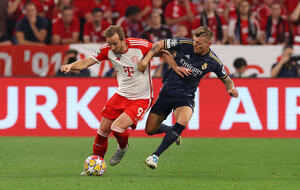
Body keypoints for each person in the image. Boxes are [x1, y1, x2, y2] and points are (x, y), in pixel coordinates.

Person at [60, 26, 189, 174]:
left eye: (115, 43)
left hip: (141, 98)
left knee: (117, 128)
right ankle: (96, 165)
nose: (112, 47)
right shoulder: (106, 50)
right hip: (121, 94)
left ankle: (122, 147)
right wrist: (70, 65)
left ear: (123, 39)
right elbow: (85, 62)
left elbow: (163, 51)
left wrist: (176, 67)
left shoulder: (139, 46)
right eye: (110, 44)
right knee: (102, 130)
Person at [138, 26, 239, 169]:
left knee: (182, 121)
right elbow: (158, 45)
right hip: (167, 92)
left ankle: (155, 156)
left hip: (186, 96)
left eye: (199, 43)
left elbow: (226, 79)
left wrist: (231, 89)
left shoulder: (213, 61)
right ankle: (170, 131)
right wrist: (172, 66)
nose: (195, 45)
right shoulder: (185, 44)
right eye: (195, 41)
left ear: (209, 44)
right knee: (149, 130)